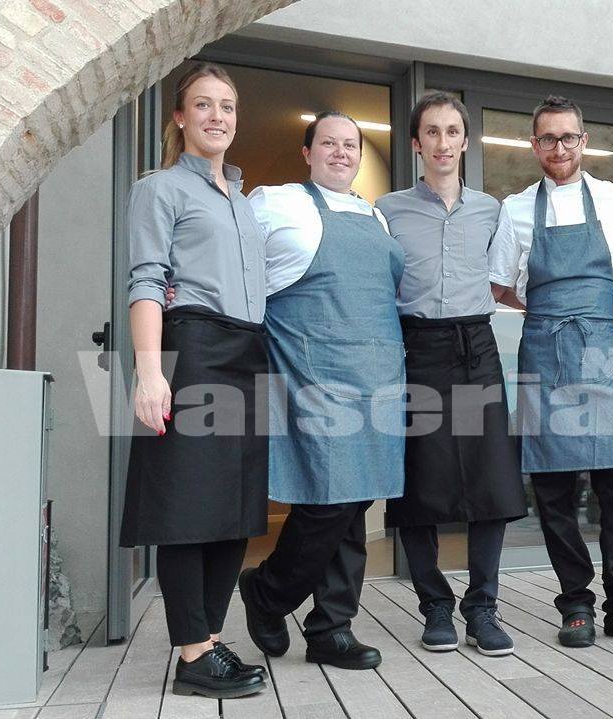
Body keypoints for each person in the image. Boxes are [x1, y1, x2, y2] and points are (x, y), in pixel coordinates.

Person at [489, 96, 613, 649]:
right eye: (548, 138)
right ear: (534, 145)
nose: (559, 147)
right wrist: (550, 311)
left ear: (583, 140)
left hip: (598, 349)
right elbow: (499, 285)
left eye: (568, 137)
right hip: (543, 352)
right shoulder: (515, 209)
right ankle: (575, 605)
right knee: (553, 487)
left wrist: (589, 312)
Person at [236, 111, 405, 671]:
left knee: (358, 497)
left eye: (350, 144)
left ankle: (332, 627)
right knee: (330, 499)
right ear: (307, 153)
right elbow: (236, 269)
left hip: (377, 373)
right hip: (313, 369)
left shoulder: (375, 216)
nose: (341, 152)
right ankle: (268, 591)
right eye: (328, 143)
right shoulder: (275, 202)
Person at [120, 62, 267, 699]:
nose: (217, 116)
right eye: (203, 105)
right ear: (180, 117)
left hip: (248, 351)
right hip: (196, 347)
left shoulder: (244, 201)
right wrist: (150, 371)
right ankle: (191, 653)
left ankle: (209, 639)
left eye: (227, 106)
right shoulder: (159, 189)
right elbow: (146, 282)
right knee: (187, 506)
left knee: (234, 509)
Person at [375, 93, 527, 656]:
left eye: (453, 132)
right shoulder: (386, 210)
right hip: (416, 347)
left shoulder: (492, 210)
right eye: (432, 132)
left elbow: (507, 282)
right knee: (421, 479)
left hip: (476, 347)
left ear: (466, 141)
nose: (443, 142)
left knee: (491, 478)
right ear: (417, 143)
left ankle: (482, 606)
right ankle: (434, 605)